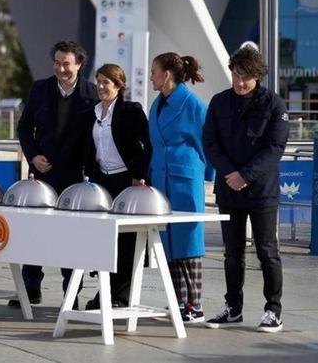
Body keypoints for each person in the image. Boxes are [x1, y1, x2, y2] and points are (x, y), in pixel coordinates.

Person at [202, 45, 288, 333]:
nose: (240, 83)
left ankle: (273, 310)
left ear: (257, 76)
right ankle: (232, 308)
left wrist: (246, 176)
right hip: (229, 189)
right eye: (236, 75)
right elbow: (210, 143)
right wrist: (229, 174)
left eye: (246, 77)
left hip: (261, 192)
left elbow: (275, 148)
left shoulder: (274, 105)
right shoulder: (219, 102)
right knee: (232, 253)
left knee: (266, 250)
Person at [11, 40, 97, 308]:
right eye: (57, 63)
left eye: (66, 63)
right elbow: (24, 128)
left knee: (71, 235)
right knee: (34, 230)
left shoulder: (92, 94)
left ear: (79, 64)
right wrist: (33, 156)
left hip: (75, 176)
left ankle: (71, 293)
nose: (61, 68)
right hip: (41, 174)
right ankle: (30, 287)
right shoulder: (40, 89)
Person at [148, 52, 214, 323]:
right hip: (161, 178)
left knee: (188, 238)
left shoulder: (193, 104)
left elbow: (207, 142)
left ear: (167, 74)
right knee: (170, 241)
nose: (150, 76)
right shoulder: (158, 103)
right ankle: (177, 301)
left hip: (185, 178)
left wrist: (207, 176)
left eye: (154, 71)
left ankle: (195, 304)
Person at [83, 63, 152, 310]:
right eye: (99, 81)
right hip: (102, 181)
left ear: (119, 86)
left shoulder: (131, 111)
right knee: (105, 240)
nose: (102, 87)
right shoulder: (92, 112)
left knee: (126, 241)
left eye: (107, 83)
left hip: (127, 180)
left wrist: (139, 176)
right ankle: (105, 290)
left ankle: (120, 295)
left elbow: (145, 147)